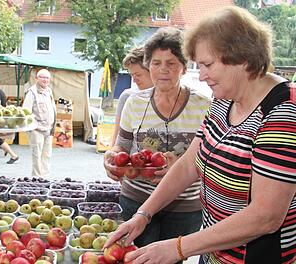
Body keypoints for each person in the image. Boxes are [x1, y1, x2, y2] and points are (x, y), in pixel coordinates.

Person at [104, 6, 296, 264]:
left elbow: (266, 216)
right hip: (214, 253)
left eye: (207, 65)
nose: (202, 75)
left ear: (242, 58)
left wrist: (179, 248)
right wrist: (144, 214)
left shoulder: (282, 114)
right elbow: (189, 164)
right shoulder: (223, 100)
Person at [103, 27, 212, 251]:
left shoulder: (204, 105)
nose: (163, 70)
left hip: (184, 207)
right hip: (137, 199)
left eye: (171, 63)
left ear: (183, 67)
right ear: (148, 65)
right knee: (134, 256)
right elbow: (121, 146)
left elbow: (211, 160)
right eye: (156, 63)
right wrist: (111, 157)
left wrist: (182, 166)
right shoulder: (135, 102)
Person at [111, 47, 153, 146]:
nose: (134, 80)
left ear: (152, 70)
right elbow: (117, 136)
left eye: (138, 75)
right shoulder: (127, 96)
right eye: (132, 75)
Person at [23, 69, 56, 177]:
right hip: (37, 130)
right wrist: (32, 128)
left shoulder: (49, 91)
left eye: (47, 78)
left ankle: (45, 178)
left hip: (49, 129)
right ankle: (36, 179)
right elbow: (26, 112)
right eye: (42, 77)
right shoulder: (31, 92)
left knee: (47, 156)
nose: (45, 80)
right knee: (37, 156)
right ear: (36, 78)